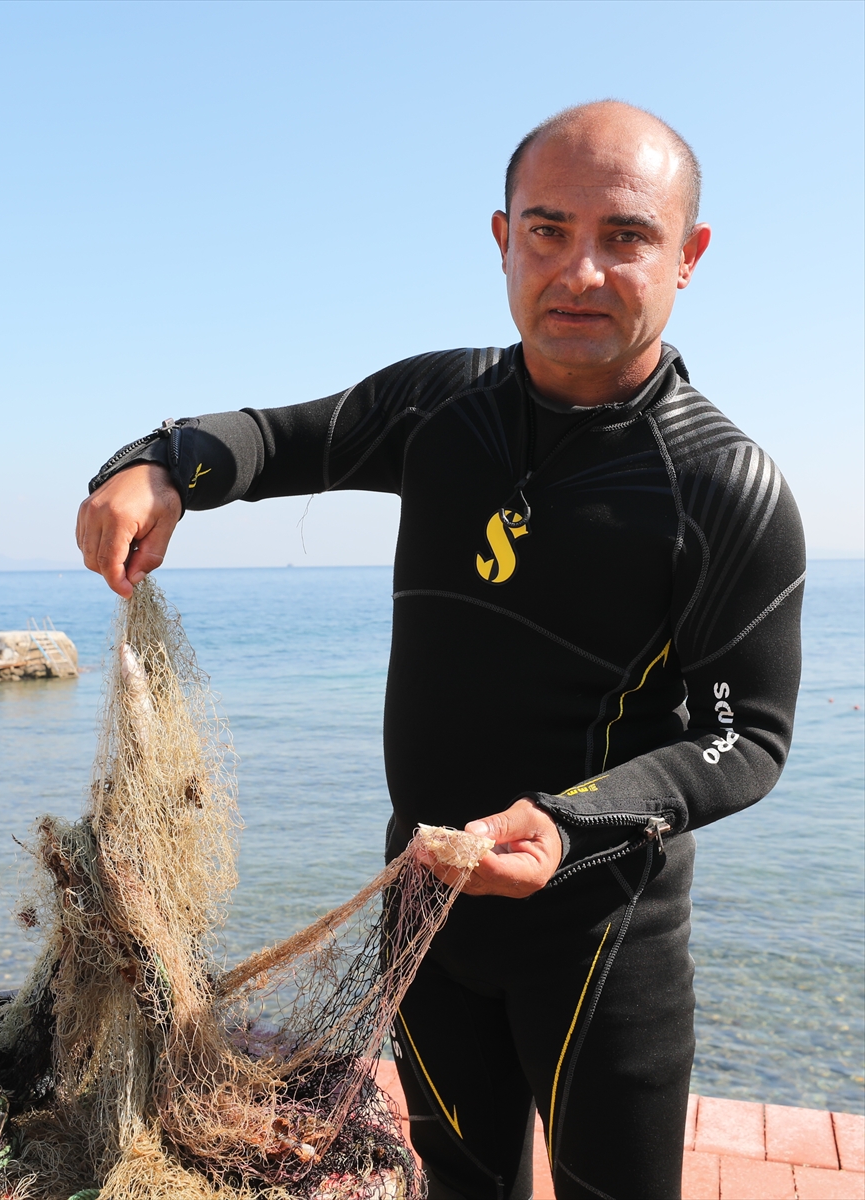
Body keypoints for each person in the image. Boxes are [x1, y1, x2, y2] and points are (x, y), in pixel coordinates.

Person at [76, 101, 805, 1200]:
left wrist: (567, 824)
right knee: (460, 1183)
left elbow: (741, 737)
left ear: (687, 256)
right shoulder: (441, 406)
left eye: (625, 237)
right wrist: (157, 465)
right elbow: (276, 440)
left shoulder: (721, 487)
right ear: (503, 237)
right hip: (422, 904)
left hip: (602, 940)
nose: (581, 271)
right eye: (549, 231)